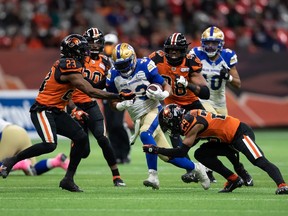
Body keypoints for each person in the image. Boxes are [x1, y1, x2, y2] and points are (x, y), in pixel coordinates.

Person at [0, 34, 135, 192]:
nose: (86, 52)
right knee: (50, 144)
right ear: (75, 51)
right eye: (83, 49)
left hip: (57, 110)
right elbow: (89, 90)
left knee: (81, 137)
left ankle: (68, 179)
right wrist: (117, 96)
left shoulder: (75, 63)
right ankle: (12, 160)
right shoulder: (68, 64)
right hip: (43, 110)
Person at [106, 42, 210, 190]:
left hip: (153, 110)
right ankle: (197, 168)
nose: (123, 68)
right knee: (167, 156)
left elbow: (165, 84)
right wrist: (119, 105)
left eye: (125, 64)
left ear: (133, 58)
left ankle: (153, 176)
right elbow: (112, 100)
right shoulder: (113, 74)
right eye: (120, 65)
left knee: (145, 134)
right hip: (138, 117)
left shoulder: (145, 65)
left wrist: (163, 94)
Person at [143, 104, 288, 195]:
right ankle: (233, 179)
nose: (169, 128)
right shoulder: (190, 117)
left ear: (174, 120)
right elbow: (186, 147)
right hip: (225, 139)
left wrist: (156, 150)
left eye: (168, 124)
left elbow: (181, 152)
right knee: (201, 154)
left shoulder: (192, 124)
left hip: (239, 133)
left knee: (258, 160)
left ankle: (282, 185)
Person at [189, 26, 253, 186]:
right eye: (207, 43)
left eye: (214, 43)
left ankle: (240, 170)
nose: (210, 46)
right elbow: (188, 76)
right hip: (204, 101)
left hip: (220, 103)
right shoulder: (195, 54)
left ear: (221, 44)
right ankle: (204, 169)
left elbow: (238, 83)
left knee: (226, 140)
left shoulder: (228, 56)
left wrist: (229, 78)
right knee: (211, 130)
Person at [148, 32, 211, 182]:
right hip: (172, 105)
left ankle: (211, 168)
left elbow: (206, 92)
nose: (173, 54)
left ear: (184, 51)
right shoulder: (156, 58)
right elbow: (144, 72)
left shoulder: (190, 61)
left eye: (177, 50)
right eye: (170, 50)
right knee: (173, 133)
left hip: (191, 103)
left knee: (210, 133)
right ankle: (191, 169)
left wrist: (188, 84)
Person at [69, 28, 125, 186]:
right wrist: (73, 107)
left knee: (102, 138)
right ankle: (69, 176)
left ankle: (117, 176)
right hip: (75, 104)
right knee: (84, 150)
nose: (94, 45)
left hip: (91, 104)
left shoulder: (107, 62)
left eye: (97, 42)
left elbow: (109, 83)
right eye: (91, 42)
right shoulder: (78, 59)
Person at [0, 118, 69, 176]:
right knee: (33, 169)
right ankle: (57, 161)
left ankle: (21, 163)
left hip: (9, 134)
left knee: (3, 167)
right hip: (20, 131)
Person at [102, 33, 131, 164]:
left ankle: (125, 153)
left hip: (119, 95)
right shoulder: (102, 59)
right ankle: (116, 154)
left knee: (118, 124)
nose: (107, 48)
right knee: (111, 126)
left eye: (110, 45)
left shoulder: (120, 58)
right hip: (107, 95)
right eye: (106, 45)